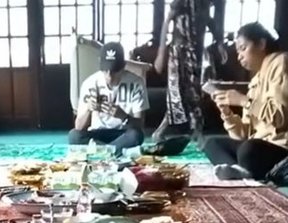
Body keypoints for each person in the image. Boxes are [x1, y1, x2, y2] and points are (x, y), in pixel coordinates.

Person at [203, 23, 288, 180]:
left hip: (281, 147)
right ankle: (242, 172)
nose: (239, 56)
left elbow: (280, 117)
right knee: (211, 143)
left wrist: (244, 101)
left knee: (249, 148)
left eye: (243, 48)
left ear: (261, 44)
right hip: (259, 146)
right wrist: (227, 113)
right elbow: (243, 135)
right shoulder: (256, 80)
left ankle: (244, 171)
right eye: (238, 51)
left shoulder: (281, 62)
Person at [68, 42, 149, 153]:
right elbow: (78, 127)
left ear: (123, 66)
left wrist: (123, 117)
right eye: (105, 70)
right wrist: (88, 109)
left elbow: (140, 125)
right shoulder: (90, 83)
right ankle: (112, 152)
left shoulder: (136, 83)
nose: (109, 76)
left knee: (136, 135)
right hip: (97, 133)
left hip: (123, 133)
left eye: (115, 71)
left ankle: (102, 152)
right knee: (74, 136)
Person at [153, 0, 216, 140]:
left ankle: (197, 127)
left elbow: (209, 20)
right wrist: (161, 52)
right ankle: (166, 123)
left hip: (196, 51)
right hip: (178, 51)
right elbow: (167, 21)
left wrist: (220, 42)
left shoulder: (204, 4)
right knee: (175, 89)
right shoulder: (180, 2)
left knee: (194, 90)